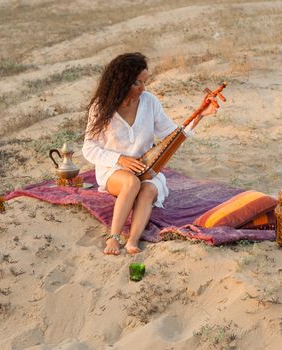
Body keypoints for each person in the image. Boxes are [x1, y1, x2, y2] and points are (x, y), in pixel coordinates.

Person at [82, 52, 217, 255]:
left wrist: (200, 115)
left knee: (147, 190)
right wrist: (120, 159)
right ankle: (114, 237)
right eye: (137, 83)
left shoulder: (149, 102)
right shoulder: (101, 107)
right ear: (121, 82)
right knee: (131, 183)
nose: (143, 89)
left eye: (144, 82)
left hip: (146, 168)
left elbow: (171, 135)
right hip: (114, 170)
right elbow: (89, 148)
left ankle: (133, 241)